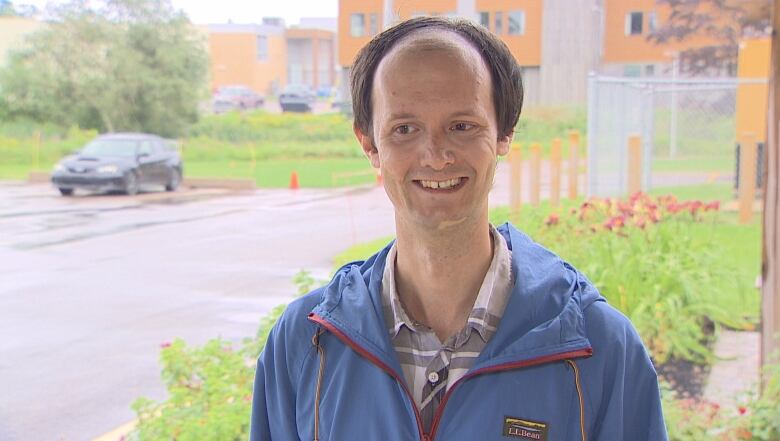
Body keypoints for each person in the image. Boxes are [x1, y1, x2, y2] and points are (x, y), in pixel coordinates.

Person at [250, 16, 667, 441]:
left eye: (462, 126)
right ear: (370, 144)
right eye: (405, 129)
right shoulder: (306, 345)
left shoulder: (599, 349)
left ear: (504, 133)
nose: (435, 155)